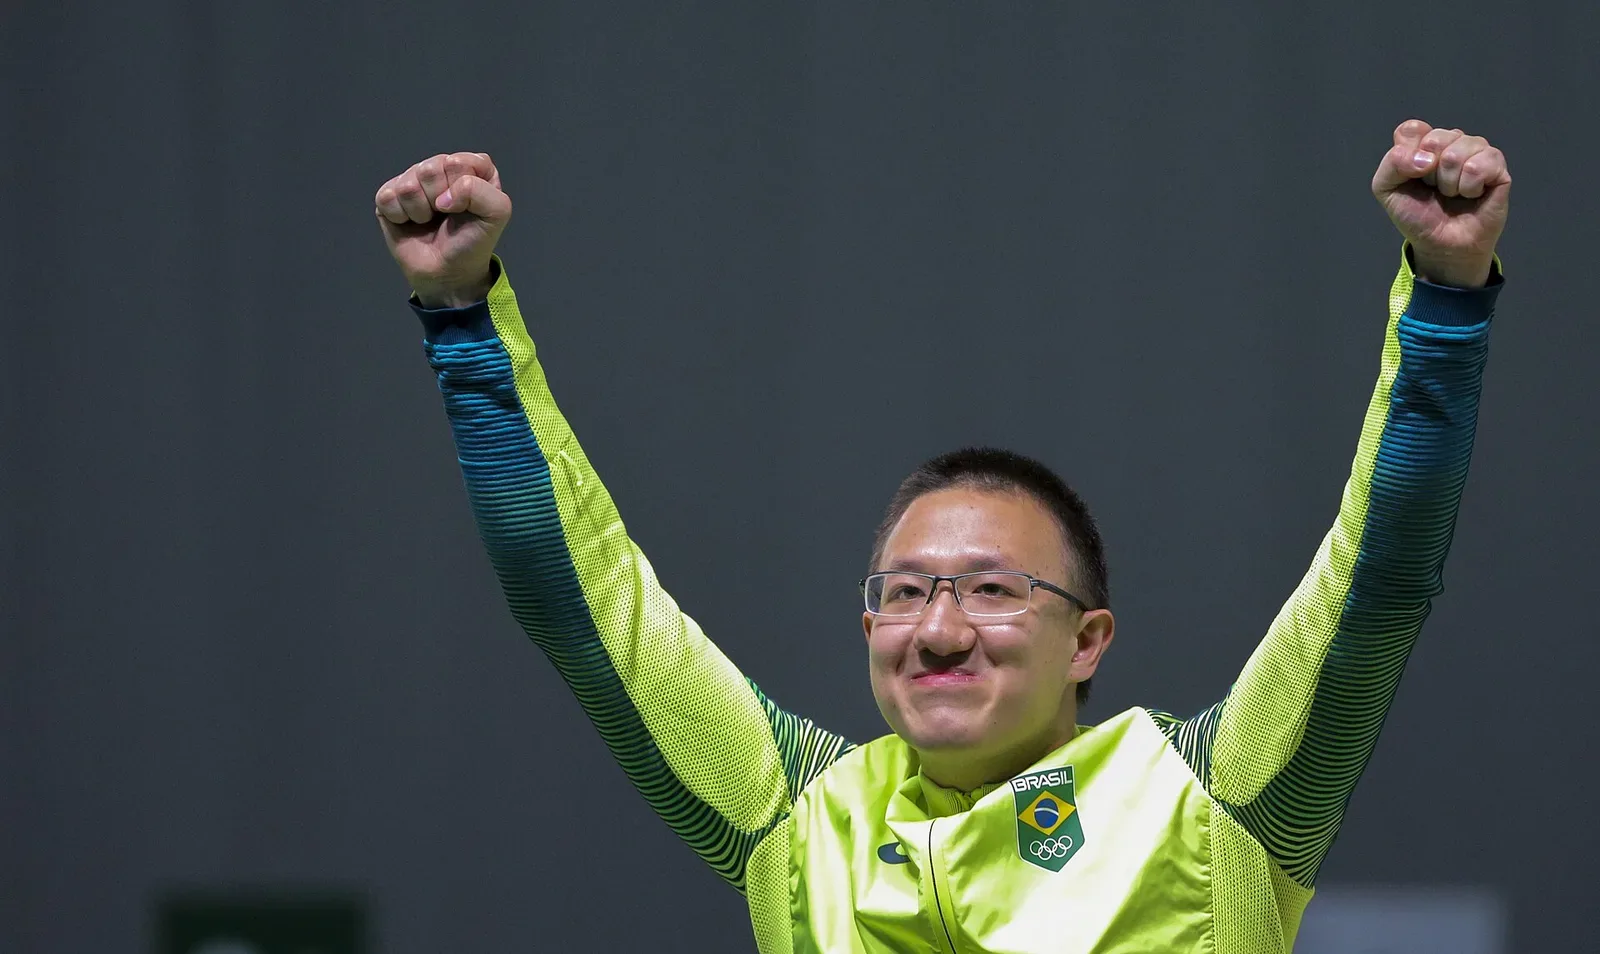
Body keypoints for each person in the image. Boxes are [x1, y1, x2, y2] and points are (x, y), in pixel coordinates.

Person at [374, 118, 1509, 953]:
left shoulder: (1212, 799)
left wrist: (1447, 298)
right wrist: (464, 318)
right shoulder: (795, 814)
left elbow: (1377, 581)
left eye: (991, 589)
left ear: (1088, 639)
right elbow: (583, 608)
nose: (939, 629)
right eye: (903, 592)